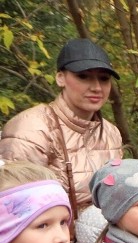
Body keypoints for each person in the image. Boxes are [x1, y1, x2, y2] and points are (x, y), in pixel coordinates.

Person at [0, 38, 122, 213]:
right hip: (50, 238)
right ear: (60, 78)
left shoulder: (111, 133)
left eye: (104, 79)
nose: (96, 87)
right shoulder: (30, 129)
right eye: (83, 76)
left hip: (108, 237)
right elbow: (15, 210)